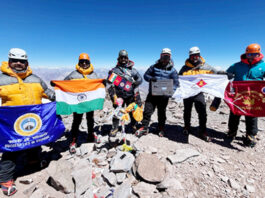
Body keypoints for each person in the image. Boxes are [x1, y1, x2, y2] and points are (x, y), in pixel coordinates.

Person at [0, 48, 55, 196]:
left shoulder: (35, 79)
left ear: (26, 62)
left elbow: (49, 93)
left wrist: (65, 97)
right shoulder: (1, 79)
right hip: (11, 124)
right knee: (10, 150)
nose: (18, 63)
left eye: (21, 61)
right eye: (15, 60)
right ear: (9, 61)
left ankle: (33, 163)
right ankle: (5, 179)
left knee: (34, 142)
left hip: (33, 121)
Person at [226, 43, 265, 147]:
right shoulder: (237, 65)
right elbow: (228, 72)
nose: (252, 57)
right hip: (239, 94)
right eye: (249, 54)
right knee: (235, 112)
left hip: (254, 95)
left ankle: (251, 134)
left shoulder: (263, 66)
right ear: (246, 54)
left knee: (252, 114)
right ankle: (232, 131)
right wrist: (228, 74)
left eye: (254, 54)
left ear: (259, 54)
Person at [135, 48, 179, 137]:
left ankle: (161, 128)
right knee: (147, 110)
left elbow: (176, 83)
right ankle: (144, 127)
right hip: (152, 93)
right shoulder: (154, 66)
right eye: (164, 56)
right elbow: (145, 75)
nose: (165, 58)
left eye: (167, 56)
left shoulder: (173, 70)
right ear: (161, 56)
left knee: (161, 112)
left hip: (164, 95)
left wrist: (170, 93)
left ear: (170, 57)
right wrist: (151, 79)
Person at [178, 46, 218, 141]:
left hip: (199, 93)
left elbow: (217, 75)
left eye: (196, 55)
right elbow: (179, 78)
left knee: (202, 112)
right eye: (192, 56)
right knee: (187, 111)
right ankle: (187, 127)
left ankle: (202, 131)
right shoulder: (184, 68)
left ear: (199, 55)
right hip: (188, 93)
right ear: (189, 57)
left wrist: (224, 74)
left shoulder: (206, 66)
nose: (195, 58)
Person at [64, 53, 98, 154]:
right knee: (76, 121)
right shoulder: (74, 74)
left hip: (89, 102)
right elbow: (64, 83)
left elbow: (98, 85)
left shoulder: (93, 74)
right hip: (78, 102)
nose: (84, 63)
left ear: (89, 62)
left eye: (86, 62)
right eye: (81, 62)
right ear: (79, 62)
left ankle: (90, 135)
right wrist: (57, 85)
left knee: (90, 119)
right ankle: (73, 140)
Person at [107, 50, 142, 136]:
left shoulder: (132, 70)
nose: (123, 59)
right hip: (119, 97)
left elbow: (140, 79)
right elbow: (109, 84)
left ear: (127, 59)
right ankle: (115, 128)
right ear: (118, 58)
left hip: (130, 95)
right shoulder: (114, 71)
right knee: (117, 112)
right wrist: (113, 96)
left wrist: (134, 84)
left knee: (132, 110)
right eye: (121, 57)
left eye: (125, 57)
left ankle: (133, 125)